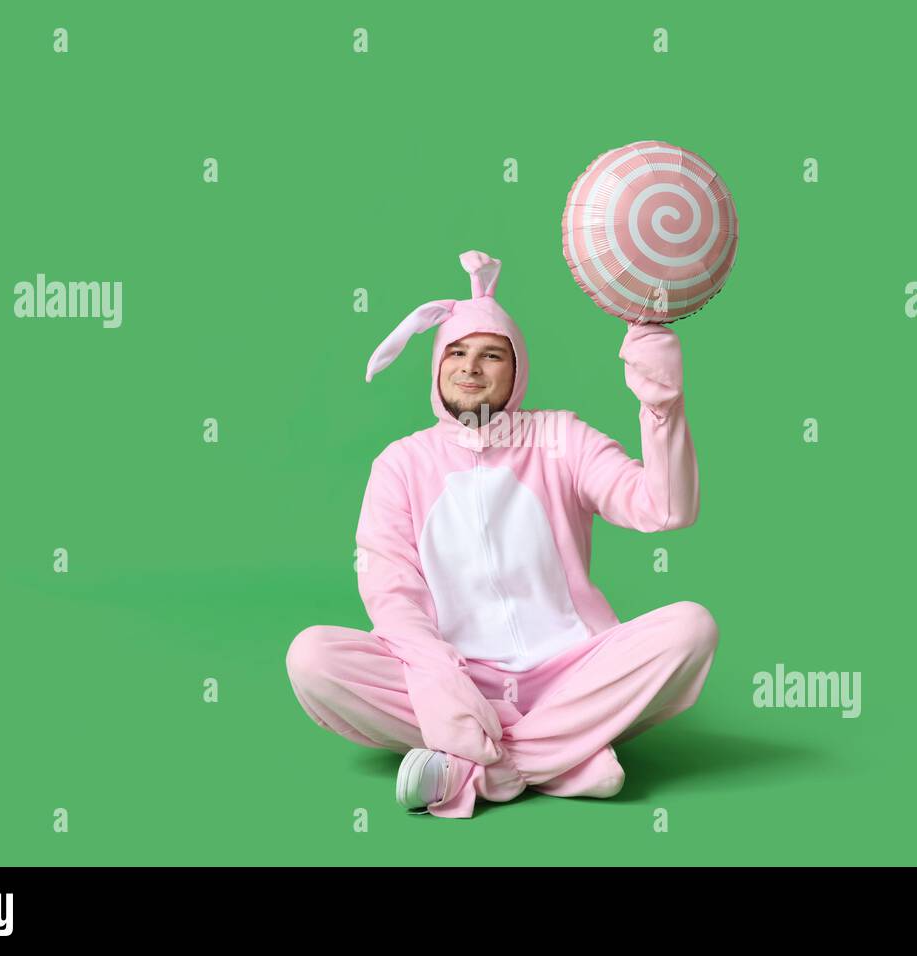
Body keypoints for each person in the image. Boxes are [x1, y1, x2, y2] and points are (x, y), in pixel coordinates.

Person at [286, 250, 719, 818]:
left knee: (691, 627)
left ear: (517, 373)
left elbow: (665, 508)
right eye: (456, 354)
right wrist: (445, 690)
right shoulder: (400, 463)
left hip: (571, 675)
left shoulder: (561, 437)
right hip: (455, 678)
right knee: (313, 657)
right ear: (437, 366)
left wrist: (660, 399)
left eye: (491, 355)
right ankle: (566, 756)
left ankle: (486, 766)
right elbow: (392, 594)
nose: (470, 367)